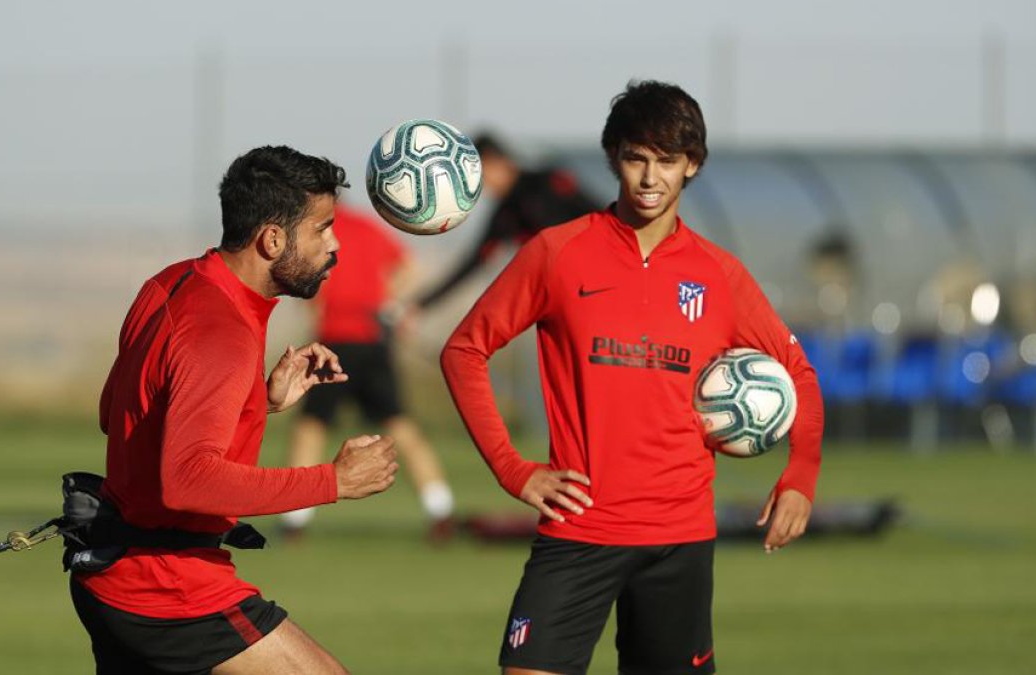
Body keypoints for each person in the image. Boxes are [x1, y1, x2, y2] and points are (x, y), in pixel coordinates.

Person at [441, 81, 825, 674]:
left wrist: (799, 476)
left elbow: (798, 371)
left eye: (667, 161)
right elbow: (465, 349)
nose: (650, 178)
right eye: (636, 158)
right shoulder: (556, 253)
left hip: (679, 538)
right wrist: (512, 468)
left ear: (691, 164)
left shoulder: (719, 275)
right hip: (577, 530)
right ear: (614, 158)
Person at [70, 146, 399, 674]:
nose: (335, 245)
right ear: (272, 239)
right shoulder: (220, 330)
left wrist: (255, 402)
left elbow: (119, 412)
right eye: (322, 229)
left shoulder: (173, 282)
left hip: (117, 576)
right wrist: (334, 481)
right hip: (169, 591)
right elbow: (189, 481)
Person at [280, 203, 455, 542]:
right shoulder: (366, 225)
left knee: (310, 427)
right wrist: (387, 303)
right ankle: (441, 511)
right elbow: (407, 265)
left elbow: (306, 285)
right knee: (400, 425)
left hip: (336, 341)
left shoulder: (313, 228)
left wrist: (316, 313)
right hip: (372, 342)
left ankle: (294, 521)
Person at [416, 132, 599, 310]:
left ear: (497, 161)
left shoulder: (549, 182)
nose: (481, 186)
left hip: (601, 278)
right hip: (565, 295)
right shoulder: (504, 216)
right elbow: (473, 264)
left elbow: (603, 216)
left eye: (481, 176)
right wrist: (422, 304)